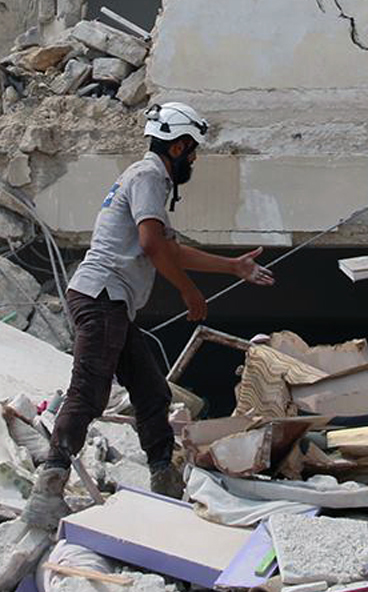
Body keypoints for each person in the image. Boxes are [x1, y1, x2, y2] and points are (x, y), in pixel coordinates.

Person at [22, 101, 274, 531]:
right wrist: (189, 292)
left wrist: (233, 267)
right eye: (191, 149)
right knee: (88, 392)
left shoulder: (147, 182)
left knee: (152, 392)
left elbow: (170, 247)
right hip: (101, 297)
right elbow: (153, 246)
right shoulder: (149, 177)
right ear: (176, 147)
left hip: (112, 302)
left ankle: (165, 483)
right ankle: (46, 494)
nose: (193, 158)